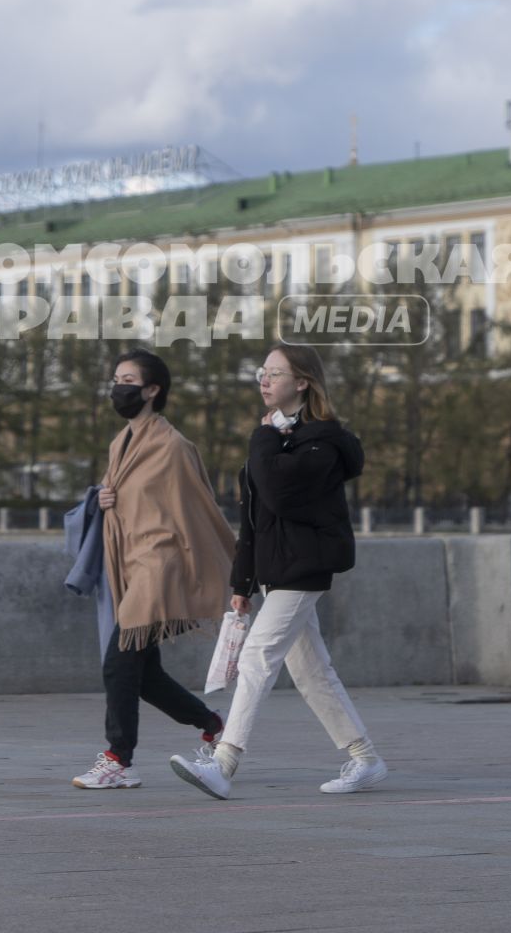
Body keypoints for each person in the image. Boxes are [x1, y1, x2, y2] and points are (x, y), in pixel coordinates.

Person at [168, 342, 386, 798]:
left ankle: (224, 763)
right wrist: (242, 582)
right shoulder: (277, 437)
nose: (263, 380)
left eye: (274, 373)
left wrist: (263, 437)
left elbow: (279, 491)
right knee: (312, 672)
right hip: (273, 568)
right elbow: (254, 517)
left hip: (304, 568)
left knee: (257, 657)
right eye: (261, 373)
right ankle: (365, 758)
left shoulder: (323, 441)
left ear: (302, 382)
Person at [72, 348, 237, 789]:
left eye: (127, 380)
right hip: (128, 565)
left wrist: (235, 564)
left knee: (118, 666)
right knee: (144, 675)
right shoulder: (120, 443)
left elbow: (199, 508)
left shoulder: (174, 446)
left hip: (160, 566)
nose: (117, 387)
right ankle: (214, 725)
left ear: (151, 390)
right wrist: (105, 499)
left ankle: (118, 760)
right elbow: (127, 500)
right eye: (115, 379)